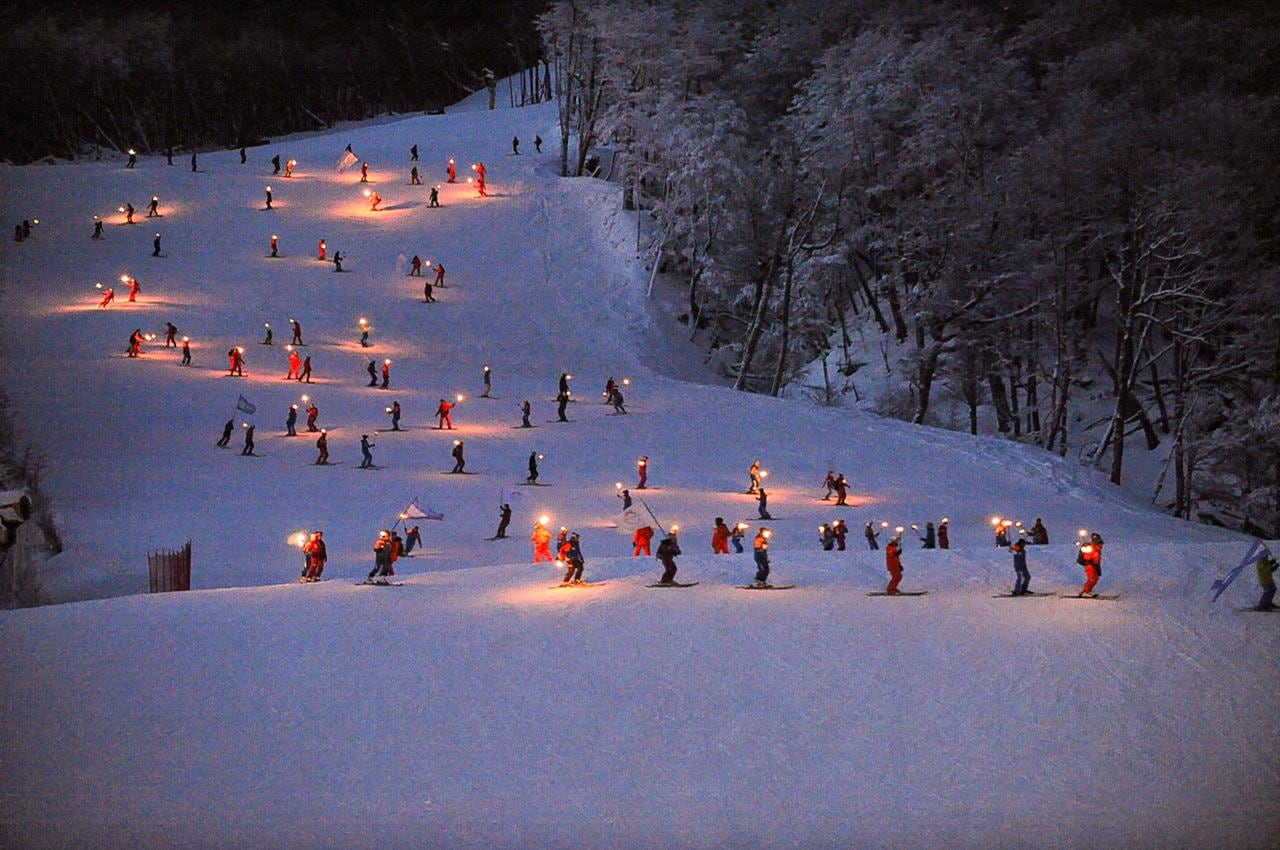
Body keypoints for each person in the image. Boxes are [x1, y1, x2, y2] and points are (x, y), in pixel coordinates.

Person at [1077, 532, 1104, 597]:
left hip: (1094, 566)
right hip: (1090, 566)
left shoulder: (1097, 549)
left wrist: (1098, 569)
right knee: (1092, 579)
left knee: (1095, 578)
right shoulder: (1091, 547)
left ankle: (1087, 590)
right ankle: (1086, 591)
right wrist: (1085, 548)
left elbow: (1097, 560)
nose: (1101, 545)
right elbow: (1087, 555)